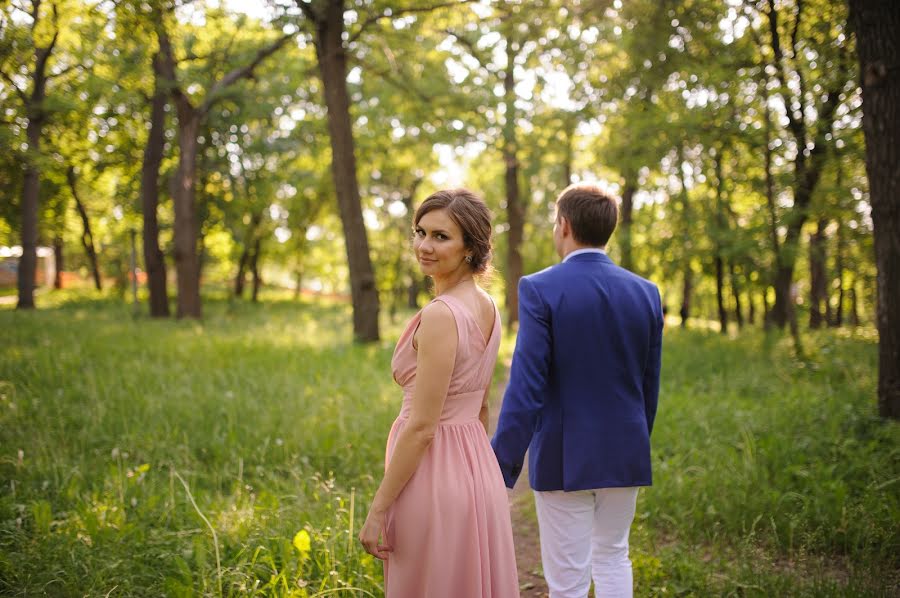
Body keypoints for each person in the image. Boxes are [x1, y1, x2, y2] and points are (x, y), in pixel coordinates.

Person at [492, 183, 663, 598]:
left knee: (567, 580)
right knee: (613, 557)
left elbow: (527, 386)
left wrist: (500, 465)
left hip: (564, 454)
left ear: (564, 225)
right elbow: (648, 386)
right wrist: (635, 439)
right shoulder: (647, 293)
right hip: (626, 449)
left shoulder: (539, 288)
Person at [359, 189, 519, 598]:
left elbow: (423, 427)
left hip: (431, 478)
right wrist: (474, 477)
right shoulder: (487, 306)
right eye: (420, 232)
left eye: (441, 236)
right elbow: (480, 408)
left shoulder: (441, 315)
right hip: (476, 470)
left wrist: (378, 509)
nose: (424, 246)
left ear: (470, 247)